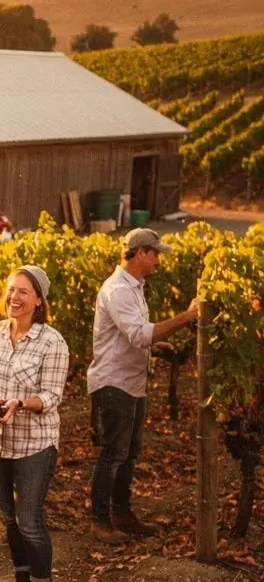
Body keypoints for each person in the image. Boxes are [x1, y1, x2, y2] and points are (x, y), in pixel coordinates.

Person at [0, 266, 69, 582]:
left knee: (29, 520)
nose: (15, 296)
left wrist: (20, 404)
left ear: (38, 300)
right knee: (9, 519)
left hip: (34, 445)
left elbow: (52, 395)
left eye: (24, 291)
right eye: (11, 290)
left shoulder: (52, 341)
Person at [88, 228, 198, 543]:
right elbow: (139, 334)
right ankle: (99, 521)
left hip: (132, 382)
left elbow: (135, 337)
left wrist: (156, 348)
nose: (158, 259)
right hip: (114, 382)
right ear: (140, 253)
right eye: (155, 253)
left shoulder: (135, 287)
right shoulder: (118, 290)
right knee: (114, 452)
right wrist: (187, 317)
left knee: (129, 452)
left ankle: (121, 513)